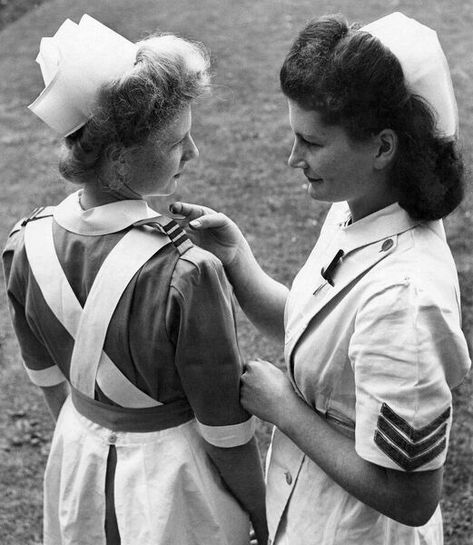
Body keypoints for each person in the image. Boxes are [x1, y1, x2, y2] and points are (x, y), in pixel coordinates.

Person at [171, 11, 471, 545]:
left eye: (311, 143)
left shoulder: (405, 297)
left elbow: (412, 497)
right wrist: (237, 259)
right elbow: (318, 338)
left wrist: (284, 409)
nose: (292, 158)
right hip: (311, 509)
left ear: (382, 147)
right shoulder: (359, 206)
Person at [2, 14, 267, 545]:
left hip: (78, 456)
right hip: (172, 487)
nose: (193, 154)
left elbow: (51, 381)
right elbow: (226, 433)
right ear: (120, 157)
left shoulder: (23, 243)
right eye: (177, 143)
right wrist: (265, 517)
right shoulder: (187, 272)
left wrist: (91, 433)